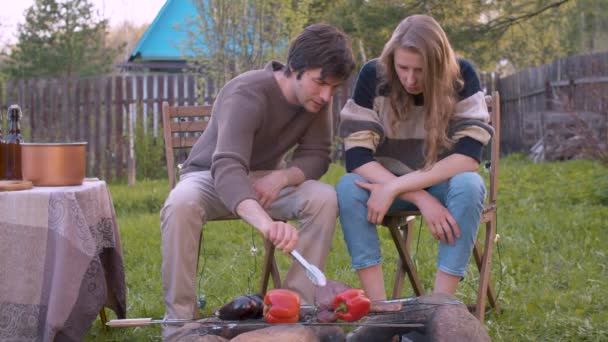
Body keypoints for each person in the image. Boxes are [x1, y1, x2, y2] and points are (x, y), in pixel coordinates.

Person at [160, 23, 355, 338]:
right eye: (321, 83)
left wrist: (283, 176)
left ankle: (297, 311)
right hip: (210, 176)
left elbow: (318, 155)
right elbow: (227, 165)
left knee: (323, 197)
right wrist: (268, 225)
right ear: (295, 68)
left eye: (334, 87)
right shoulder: (247, 91)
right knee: (181, 202)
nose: (326, 95)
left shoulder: (317, 100)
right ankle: (180, 326)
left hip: (265, 180)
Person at [336, 14, 493, 311]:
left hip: (442, 187)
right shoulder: (373, 76)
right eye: (403, 68)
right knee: (348, 187)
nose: (410, 79)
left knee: (470, 184)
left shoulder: (462, 76)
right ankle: (380, 308)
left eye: (420, 71)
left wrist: (405, 189)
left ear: (438, 65)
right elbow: (357, 157)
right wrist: (418, 197)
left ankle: (440, 307)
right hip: (386, 187)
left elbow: (468, 157)